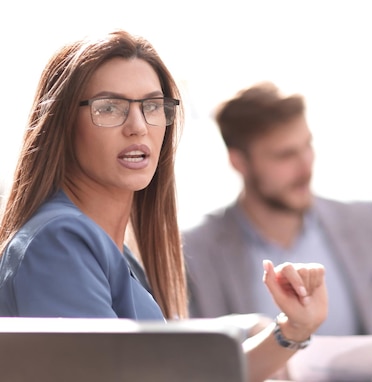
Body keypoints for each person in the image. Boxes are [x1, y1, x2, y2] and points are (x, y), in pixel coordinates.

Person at [0, 30, 328, 382]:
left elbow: (190, 375)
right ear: (62, 123)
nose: (138, 127)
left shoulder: (111, 251)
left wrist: (294, 328)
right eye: (109, 108)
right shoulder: (60, 241)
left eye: (152, 106)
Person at [182, 81, 372, 343]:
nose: (306, 166)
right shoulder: (196, 252)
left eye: (307, 146)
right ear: (239, 162)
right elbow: (191, 352)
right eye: (285, 155)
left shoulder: (364, 223)